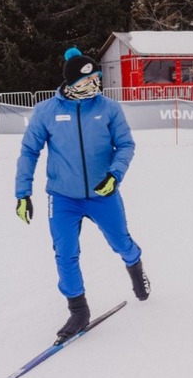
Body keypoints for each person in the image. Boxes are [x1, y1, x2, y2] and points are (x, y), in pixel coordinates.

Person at [15, 47, 150, 344]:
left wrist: (114, 175)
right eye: (86, 83)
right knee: (65, 251)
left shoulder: (109, 108)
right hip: (63, 196)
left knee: (121, 243)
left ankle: (136, 267)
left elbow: (126, 145)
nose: (94, 87)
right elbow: (29, 151)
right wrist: (22, 193)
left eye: (96, 80)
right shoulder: (47, 112)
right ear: (71, 84)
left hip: (103, 194)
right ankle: (78, 310)